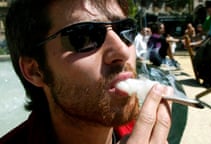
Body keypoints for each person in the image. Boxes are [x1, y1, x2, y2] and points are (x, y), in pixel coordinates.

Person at [0, 0, 173, 144]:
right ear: (35, 71)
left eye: (124, 30)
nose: (122, 50)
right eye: (83, 37)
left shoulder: (146, 135)